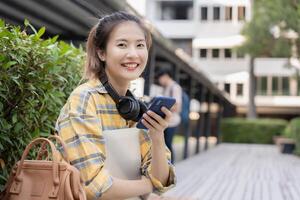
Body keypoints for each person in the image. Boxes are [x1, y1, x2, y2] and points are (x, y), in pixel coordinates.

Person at [55, 12, 176, 200]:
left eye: (140, 45)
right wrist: (148, 186)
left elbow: (162, 182)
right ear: (101, 52)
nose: (133, 54)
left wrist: (157, 136)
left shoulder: (136, 107)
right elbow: (93, 186)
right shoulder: (85, 99)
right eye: (122, 44)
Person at [156, 69, 182, 163]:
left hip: (172, 121)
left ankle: (171, 165)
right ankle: (166, 164)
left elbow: (177, 107)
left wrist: (161, 107)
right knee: (164, 144)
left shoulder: (174, 87)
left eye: (160, 78)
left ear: (166, 76)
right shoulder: (166, 88)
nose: (159, 81)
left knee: (168, 144)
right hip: (166, 121)